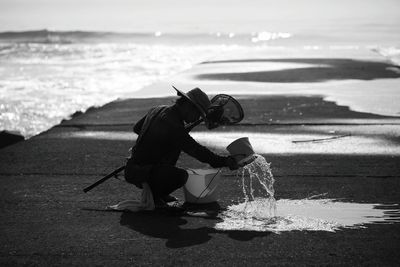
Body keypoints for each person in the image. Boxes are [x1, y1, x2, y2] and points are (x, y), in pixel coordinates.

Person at [124, 86, 239, 206]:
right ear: (188, 106)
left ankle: (159, 192)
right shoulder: (174, 126)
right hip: (141, 172)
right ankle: (156, 196)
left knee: (171, 148)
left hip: (133, 166)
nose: (197, 118)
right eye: (198, 113)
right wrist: (224, 161)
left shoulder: (158, 109)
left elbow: (137, 128)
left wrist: (157, 142)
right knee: (181, 176)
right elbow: (197, 151)